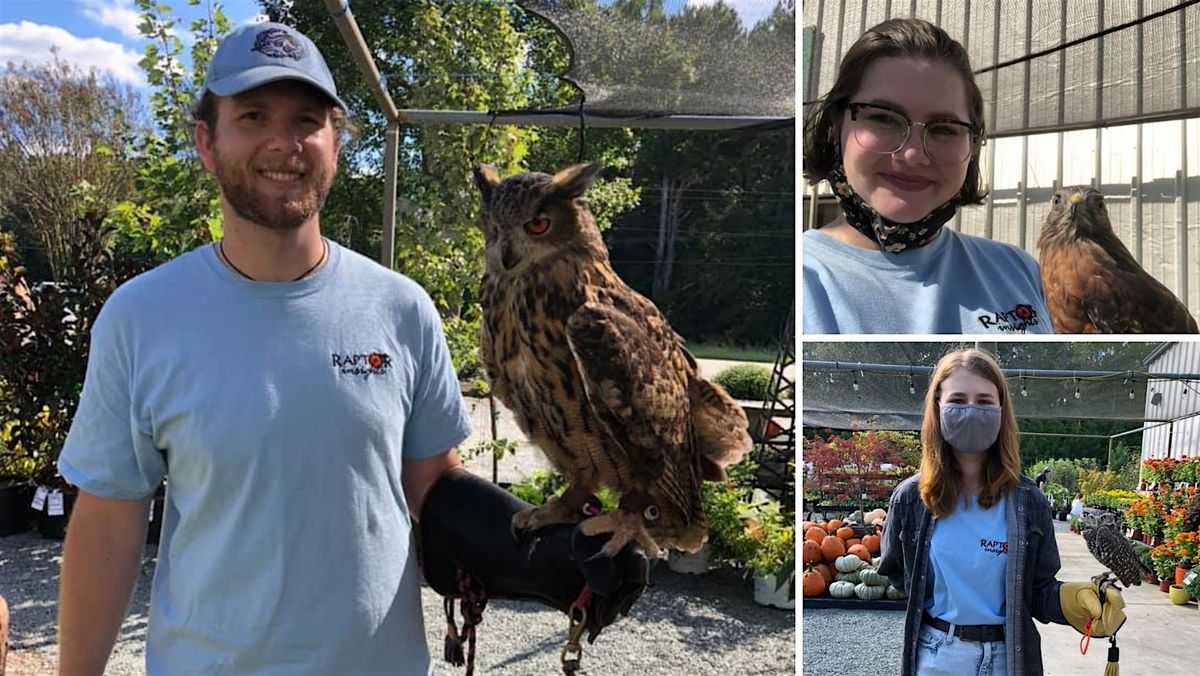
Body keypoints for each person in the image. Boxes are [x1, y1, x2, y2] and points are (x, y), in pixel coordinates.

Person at [55, 22, 645, 675]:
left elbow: (433, 488)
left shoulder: (400, 308)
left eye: (307, 119)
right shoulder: (142, 317)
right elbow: (109, 518)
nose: (284, 141)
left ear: (335, 142)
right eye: (252, 116)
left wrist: (537, 554)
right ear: (206, 141)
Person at [878, 348, 1125, 675]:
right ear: (937, 408)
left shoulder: (1028, 501)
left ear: (1001, 410)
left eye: (984, 401)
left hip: (1009, 658)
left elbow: (1037, 590)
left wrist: (1073, 601)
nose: (971, 409)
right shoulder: (911, 499)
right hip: (939, 656)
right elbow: (897, 570)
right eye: (957, 400)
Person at [801, 19, 1054, 334]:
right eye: (883, 118)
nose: (913, 155)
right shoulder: (804, 275)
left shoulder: (1019, 270)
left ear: (974, 145)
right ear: (835, 129)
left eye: (945, 128)